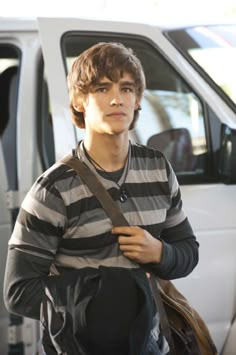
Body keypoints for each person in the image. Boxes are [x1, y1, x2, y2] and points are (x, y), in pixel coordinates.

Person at [4, 42, 199, 354]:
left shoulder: (158, 169)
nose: (116, 99)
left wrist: (159, 252)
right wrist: (109, 294)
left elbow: (189, 251)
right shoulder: (53, 188)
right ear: (80, 101)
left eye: (126, 88)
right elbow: (18, 292)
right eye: (102, 88)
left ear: (137, 101)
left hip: (151, 347)